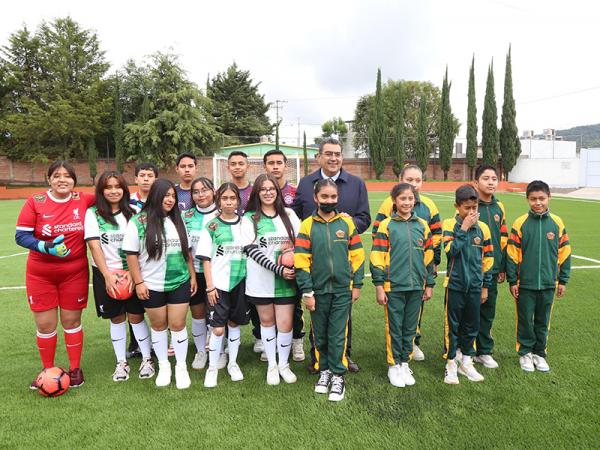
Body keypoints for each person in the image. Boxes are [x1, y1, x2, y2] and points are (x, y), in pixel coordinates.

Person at [292, 137, 370, 373]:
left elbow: (364, 218)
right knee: (317, 315)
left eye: (337, 154)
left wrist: (345, 225)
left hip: (341, 264)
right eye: (328, 153)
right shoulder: (306, 184)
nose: (333, 158)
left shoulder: (356, 184)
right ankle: (319, 360)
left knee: (342, 317)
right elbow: (296, 218)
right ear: (319, 157)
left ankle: (344, 356)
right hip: (314, 267)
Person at [15, 160, 95, 388]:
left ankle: (75, 369)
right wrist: (45, 246)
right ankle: (48, 370)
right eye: (57, 176)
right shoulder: (36, 202)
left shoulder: (84, 199)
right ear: (48, 179)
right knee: (45, 325)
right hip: (41, 274)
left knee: (71, 321)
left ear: (74, 181)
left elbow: (112, 197)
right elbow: (21, 236)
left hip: (74, 272)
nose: (62, 180)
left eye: (67, 176)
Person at [123, 179, 197, 389]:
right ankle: (164, 366)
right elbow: (131, 255)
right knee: (158, 326)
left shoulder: (178, 219)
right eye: (166, 195)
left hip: (179, 281)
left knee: (178, 324)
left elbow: (187, 252)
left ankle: (180, 366)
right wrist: (139, 282)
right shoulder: (139, 221)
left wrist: (191, 275)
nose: (170, 200)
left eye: (173, 196)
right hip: (151, 284)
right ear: (156, 195)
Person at [294, 179, 365, 402]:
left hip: (343, 290)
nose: (329, 201)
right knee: (320, 334)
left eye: (333, 197)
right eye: (324, 197)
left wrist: (357, 285)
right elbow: (301, 261)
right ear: (316, 198)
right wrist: (307, 292)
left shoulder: (347, 224)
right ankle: (323, 371)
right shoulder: (306, 226)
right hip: (318, 291)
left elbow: (357, 256)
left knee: (337, 335)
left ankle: (338, 375)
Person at [84, 171, 154, 381]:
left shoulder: (134, 211)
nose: (113, 191)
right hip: (106, 274)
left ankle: (147, 359)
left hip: (132, 274)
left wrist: (135, 275)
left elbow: (142, 246)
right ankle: (121, 362)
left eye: (118, 187)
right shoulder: (93, 213)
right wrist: (107, 275)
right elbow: (94, 246)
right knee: (116, 318)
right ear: (101, 191)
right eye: (108, 187)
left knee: (136, 316)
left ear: (124, 190)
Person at [371, 164, 441, 362]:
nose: (414, 184)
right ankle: (397, 357)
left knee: (415, 309)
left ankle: (412, 342)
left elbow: (436, 234)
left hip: (419, 271)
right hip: (396, 272)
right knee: (396, 317)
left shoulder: (428, 207)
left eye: (418, 180)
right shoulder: (388, 205)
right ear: (400, 179)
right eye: (409, 180)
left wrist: (434, 261)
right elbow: (379, 234)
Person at [506, 180, 571, 373]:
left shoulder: (557, 223)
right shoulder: (520, 223)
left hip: (549, 283)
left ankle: (539, 353)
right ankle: (525, 353)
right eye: (533, 199)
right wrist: (512, 280)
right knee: (525, 320)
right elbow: (512, 254)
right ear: (527, 199)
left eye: (542, 198)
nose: (538, 202)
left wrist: (563, 280)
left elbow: (564, 253)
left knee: (543, 320)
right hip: (525, 284)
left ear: (549, 197)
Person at [242, 174, 301, 385]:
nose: (268, 192)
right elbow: (252, 250)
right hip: (261, 281)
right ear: (257, 193)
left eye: (272, 189)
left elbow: (301, 243)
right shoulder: (249, 218)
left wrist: (292, 257)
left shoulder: (290, 215)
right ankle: (272, 366)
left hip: (287, 280)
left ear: (278, 191)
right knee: (267, 323)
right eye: (263, 189)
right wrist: (278, 268)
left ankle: (283, 364)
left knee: (285, 324)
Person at [196, 183, 250, 388]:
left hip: (240, 282)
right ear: (219, 200)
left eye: (232, 198)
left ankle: (233, 363)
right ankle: (212, 368)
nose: (229, 202)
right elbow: (206, 259)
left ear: (238, 200)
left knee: (235, 324)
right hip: (218, 285)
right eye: (225, 198)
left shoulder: (245, 224)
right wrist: (210, 286)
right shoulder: (211, 225)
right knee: (218, 329)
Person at [441, 185, 493, 385]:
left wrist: (485, 286)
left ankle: (466, 361)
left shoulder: (484, 228)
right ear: (457, 206)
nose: (472, 212)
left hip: (475, 287)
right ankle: (451, 364)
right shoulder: (449, 225)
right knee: (452, 326)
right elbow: (450, 251)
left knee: (472, 325)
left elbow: (488, 260)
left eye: (474, 207)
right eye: (467, 208)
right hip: (455, 285)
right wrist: (463, 229)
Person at [263, 149, 305, 362]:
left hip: (290, 255)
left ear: (286, 165)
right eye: (271, 163)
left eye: (279, 162)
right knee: (262, 302)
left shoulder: (295, 192)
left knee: (293, 302)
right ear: (265, 167)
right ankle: (264, 340)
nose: (275, 166)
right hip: (267, 257)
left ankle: (296, 339)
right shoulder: (259, 190)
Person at [471, 164, 508, 369]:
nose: (491, 182)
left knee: (487, 311)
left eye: (494, 178)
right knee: (467, 311)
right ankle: (463, 350)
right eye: (486, 178)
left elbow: (503, 238)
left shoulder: (499, 207)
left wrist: (502, 266)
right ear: (476, 182)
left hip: (492, 269)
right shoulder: (470, 205)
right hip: (471, 268)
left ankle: (484, 351)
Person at [182, 177, 219, 371]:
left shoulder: (223, 214)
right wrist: (192, 275)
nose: (200, 195)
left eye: (204, 190)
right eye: (196, 192)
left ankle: (219, 351)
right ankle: (201, 351)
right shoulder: (185, 216)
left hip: (218, 274)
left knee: (217, 315)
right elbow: (186, 250)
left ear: (213, 191)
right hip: (194, 272)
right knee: (197, 314)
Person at [128, 161, 159, 358]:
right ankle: (137, 344)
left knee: (159, 306)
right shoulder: (127, 202)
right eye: (143, 175)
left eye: (150, 175)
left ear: (156, 179)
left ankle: (159, 344)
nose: (146, 179)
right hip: (133, 261)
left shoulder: (162, 201)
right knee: (135, 307)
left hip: (156, 262)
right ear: (136, 179)